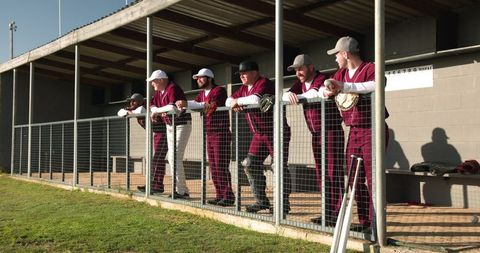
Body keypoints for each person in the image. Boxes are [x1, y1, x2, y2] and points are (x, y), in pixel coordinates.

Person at [324, 36, 389, 231]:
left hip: (373, 128)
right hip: (354, 130)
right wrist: (327, 90)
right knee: (353, 176)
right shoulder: (341, 73)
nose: (335, 59)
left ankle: (377, 223)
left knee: (373, 177)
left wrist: (344, 86)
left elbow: (378, 84)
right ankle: (365, 221)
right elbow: (326, 88)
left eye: (337, 55)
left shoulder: (370, 67)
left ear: (345, 53)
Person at [282, 54, 344, 225]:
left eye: (300, 68)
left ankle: (337, 214)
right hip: (315, 134)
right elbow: (285, 96)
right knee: (321, 174)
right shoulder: (300, 84)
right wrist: (290, 96)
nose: (298, 72)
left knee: (333, 172)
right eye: (295, 70)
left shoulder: (321, 78)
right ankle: (327, 212)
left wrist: (298, 97)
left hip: (331, 132)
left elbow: (315, 93)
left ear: (310, 67)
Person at [226, 60, 291, 214]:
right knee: (249, 163)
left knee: (278, 166)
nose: (241, 76)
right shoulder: (243, 88)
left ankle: (283, 204)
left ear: (254, 72)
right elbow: (228, 100)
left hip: (275, 131)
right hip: (259, 134)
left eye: (244, 73)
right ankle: (261, 201)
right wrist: (235, 102)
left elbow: (255, 99)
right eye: (240, 74)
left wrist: (237, 102)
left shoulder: (264, 82)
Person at [187, 68, 235, 206]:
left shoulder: (219, 90)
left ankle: (228, 196)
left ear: (209, 78)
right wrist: (184, 103)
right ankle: (219, 194)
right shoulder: (201, 94)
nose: (198, 80)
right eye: (197, 78)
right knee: (213, 166)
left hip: (221, 133)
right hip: (209, 133)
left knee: (221, 165)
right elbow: (197, 104)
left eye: (201, 78)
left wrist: (199, 105)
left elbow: (210, 106)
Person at [148, 69, 192, 199]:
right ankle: (181, 190)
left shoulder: (172, 88)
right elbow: (151, 105)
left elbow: (172, 107)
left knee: (174, 157)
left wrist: (156, 111)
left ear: (161, 80)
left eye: (154, 81)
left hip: (181, 124)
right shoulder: (159, 92)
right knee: (172, 158)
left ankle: (181, 191)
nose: (152, 84)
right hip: (170, 125)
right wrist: (155, 110)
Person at [117, 93, 167, 194]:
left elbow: (139, 111)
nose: (131, 103)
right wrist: (128, 110)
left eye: (133, 101)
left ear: (140, 101)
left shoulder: (144, 108)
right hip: (157, 134)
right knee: (157, 160)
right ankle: (156, 185)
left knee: (157, 160)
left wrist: (128, 111)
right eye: (130, 101)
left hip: (164, 134)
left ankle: (155, 185)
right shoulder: (133, 109)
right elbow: (119, 112)